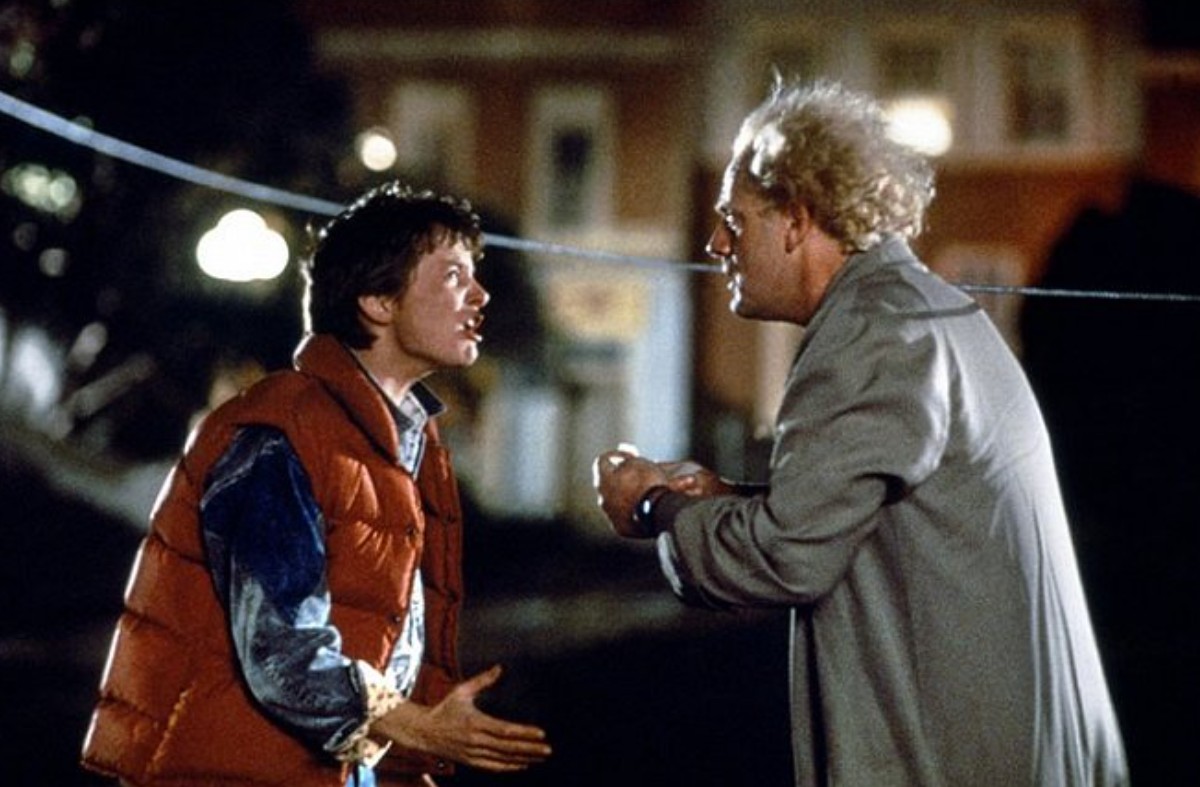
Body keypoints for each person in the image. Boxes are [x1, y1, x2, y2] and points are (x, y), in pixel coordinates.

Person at [593, 78, 1128, 786]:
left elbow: (784, 556)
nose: (716, 243)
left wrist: (652, 504)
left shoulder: (868, 333)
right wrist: (725, 498)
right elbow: (869, 515)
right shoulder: (916, 307)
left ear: (795, 218)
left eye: (734, 219)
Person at [82, 182, 552, 787]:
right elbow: (281, 649)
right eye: (454, 275)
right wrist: (417, 727)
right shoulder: (284, 435)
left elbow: (369, 642)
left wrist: (402, 749)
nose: (480, 295)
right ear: (378, 301)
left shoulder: (387, 444)